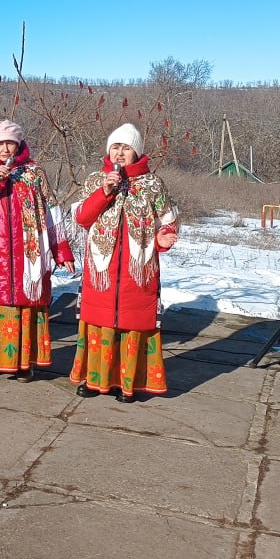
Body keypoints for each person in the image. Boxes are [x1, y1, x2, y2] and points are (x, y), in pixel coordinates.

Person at [70, 124, 179, 402]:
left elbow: (168, 220)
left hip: (137, 270)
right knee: (100, 325)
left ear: (136, 152)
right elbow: (82, 218)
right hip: (101, 269)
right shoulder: (96, 180)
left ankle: (127, 384)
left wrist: (162, 239)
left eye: (126, 148)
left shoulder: (153, 184)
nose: (120, 153)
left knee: (132, 326)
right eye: (115, 147)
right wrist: (105, 191)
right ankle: (96, 381)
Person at [0, 120, 76, 380]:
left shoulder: (34, 172)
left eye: (10, 143)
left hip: (29, 255)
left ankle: (26, 363)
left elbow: (52, 213)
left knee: (27, 306)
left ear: (19, 144)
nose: (5, 148)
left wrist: (61, 249)